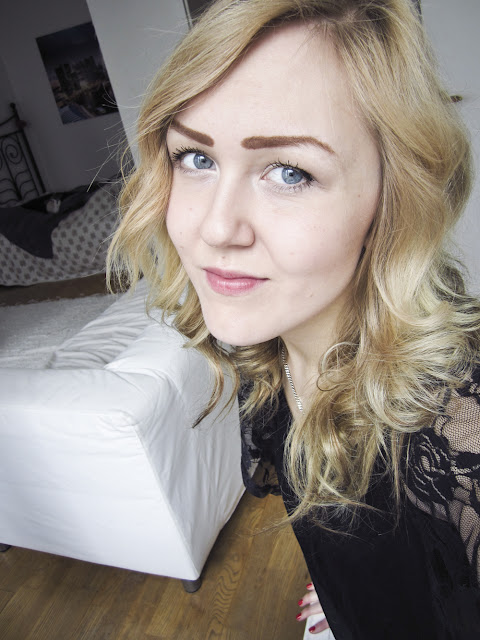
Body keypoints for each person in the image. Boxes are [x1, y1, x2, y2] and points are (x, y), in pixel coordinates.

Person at [108, 0, 480, 637]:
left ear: (392, 198)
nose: (215, 229)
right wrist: (341, 601)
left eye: (289, 172)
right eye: (196, 158)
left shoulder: (461, 428)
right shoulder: (268, 349)